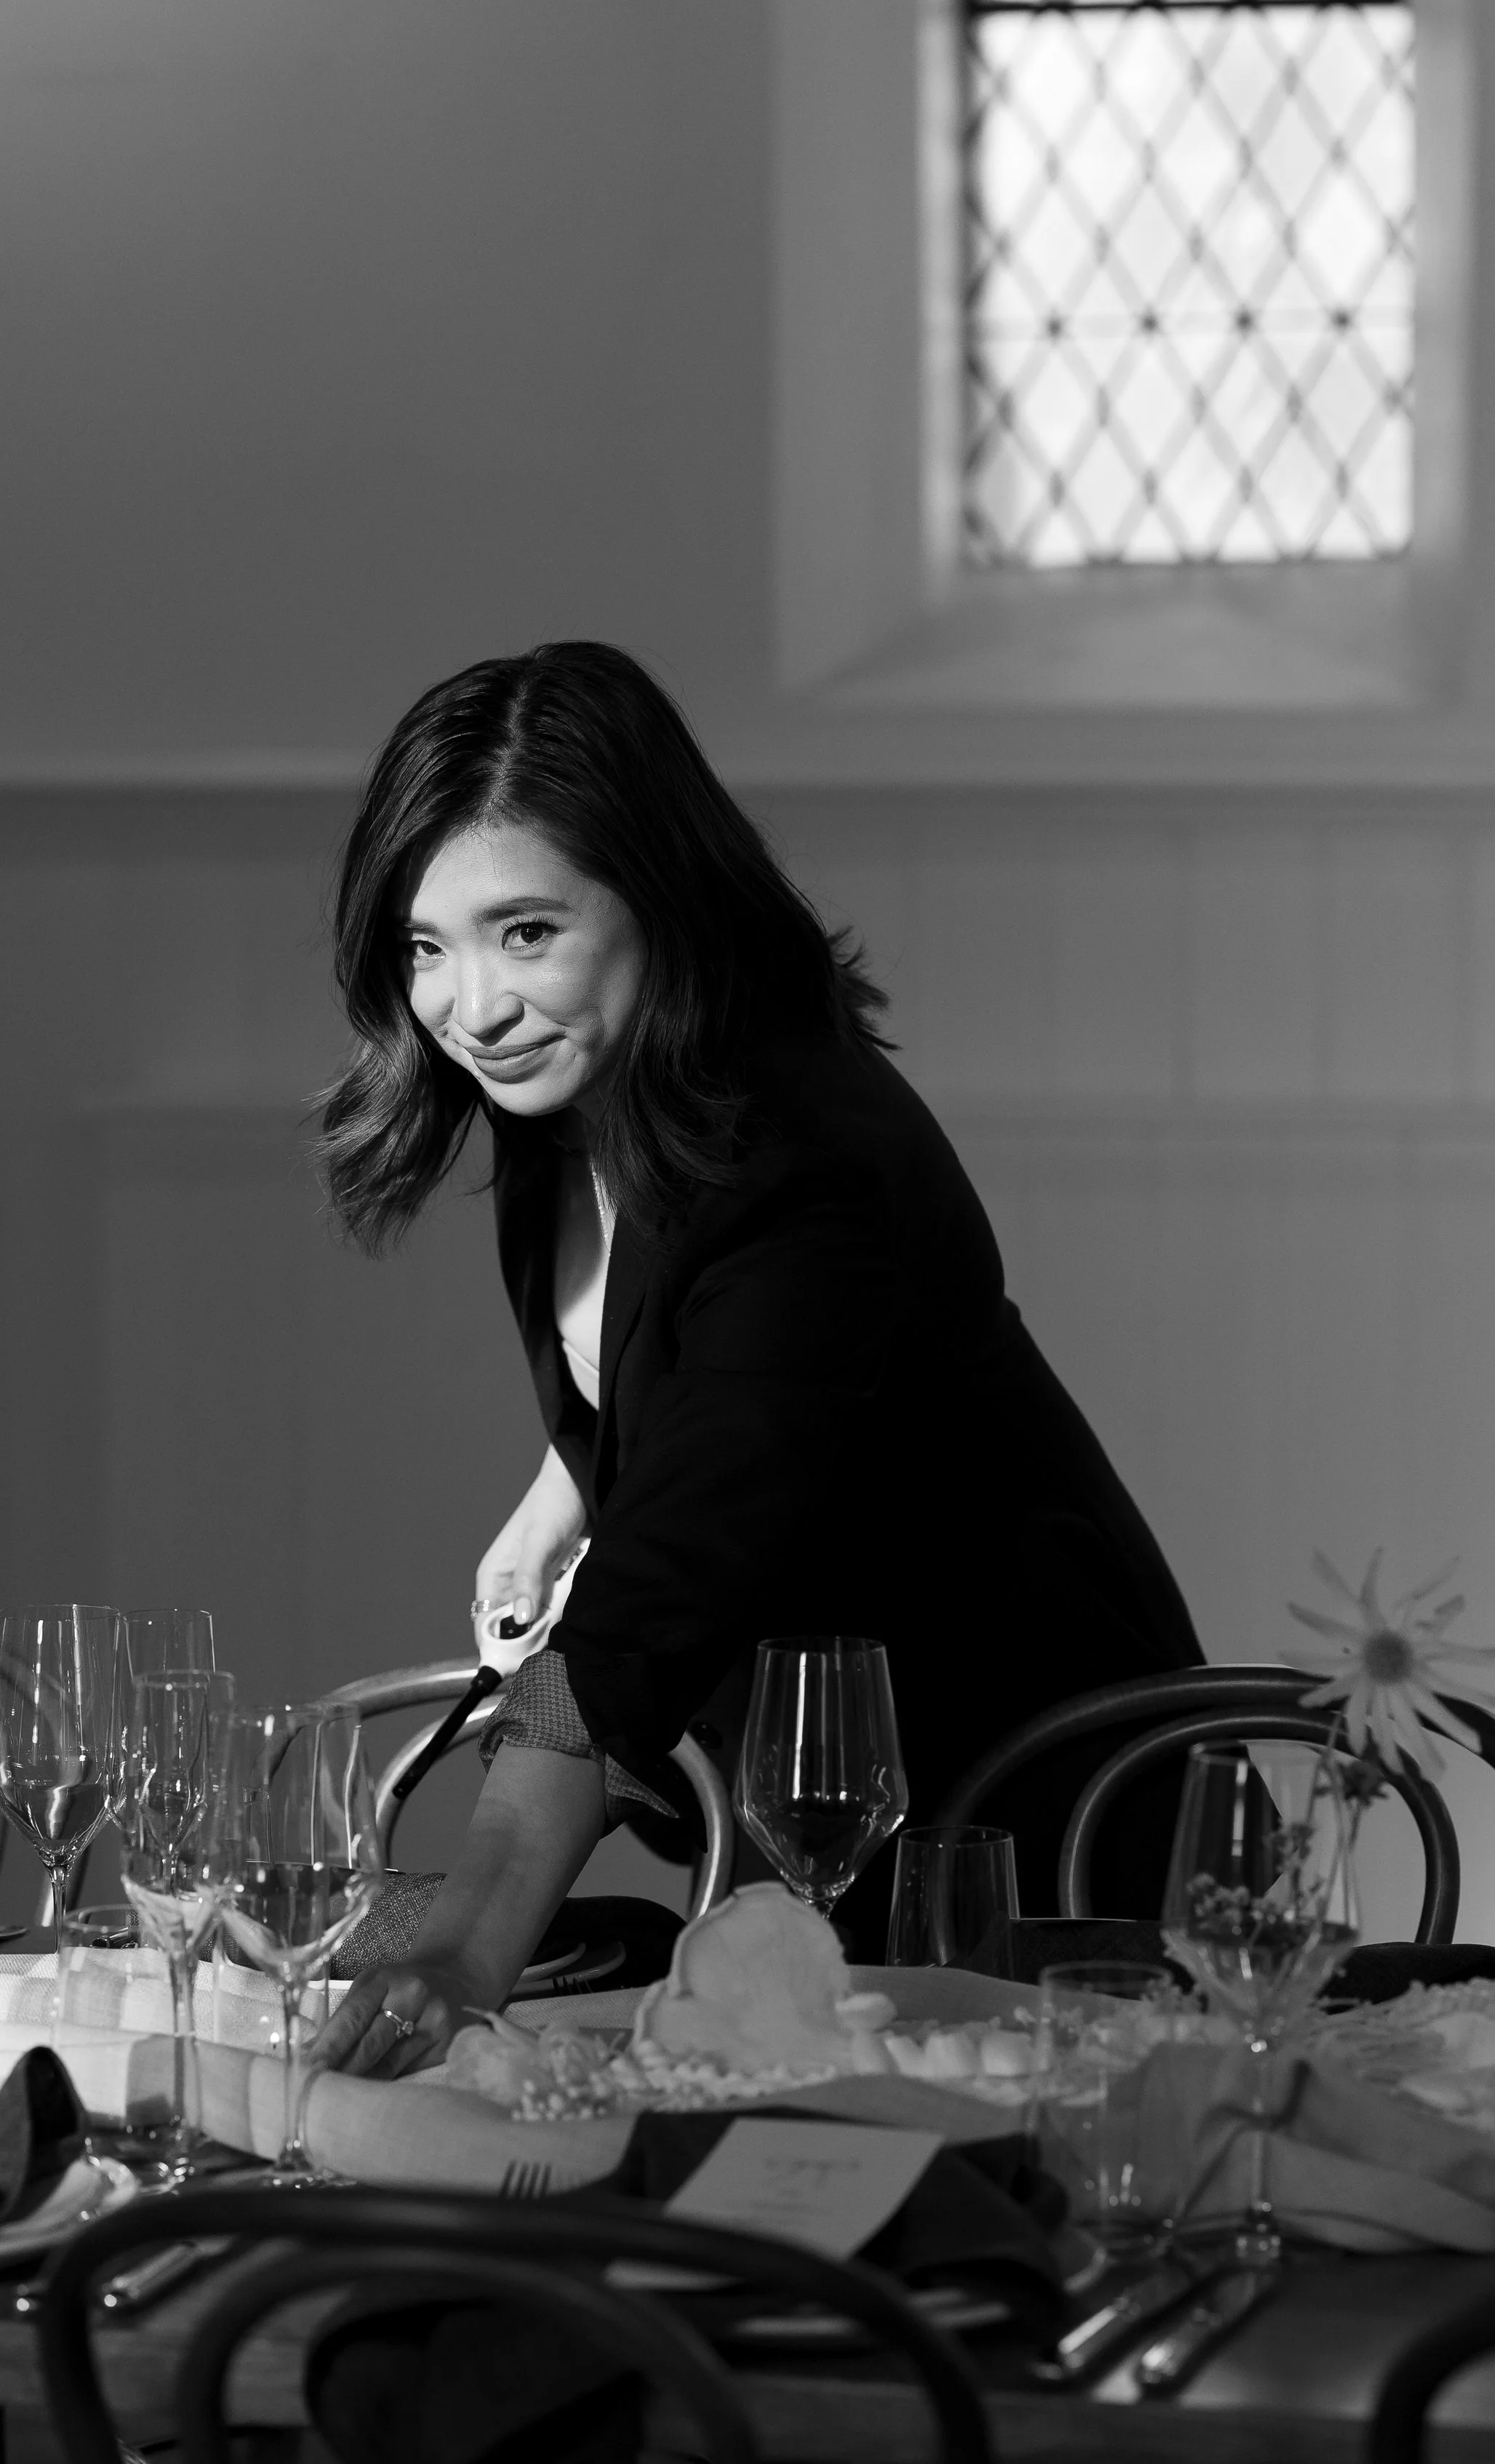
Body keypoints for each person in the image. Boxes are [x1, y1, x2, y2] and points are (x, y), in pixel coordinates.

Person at [313, 641, 1201, 2075]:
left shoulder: (800, 1153)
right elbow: (686, 1366)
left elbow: (679, 1563)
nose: (470, 1005)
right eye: (429, 945)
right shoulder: (565, 1106)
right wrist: (568, 1489)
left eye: (525, 932)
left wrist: (466, 1951)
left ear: (659, 900)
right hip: (827, 1787)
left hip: (1017, 1806)